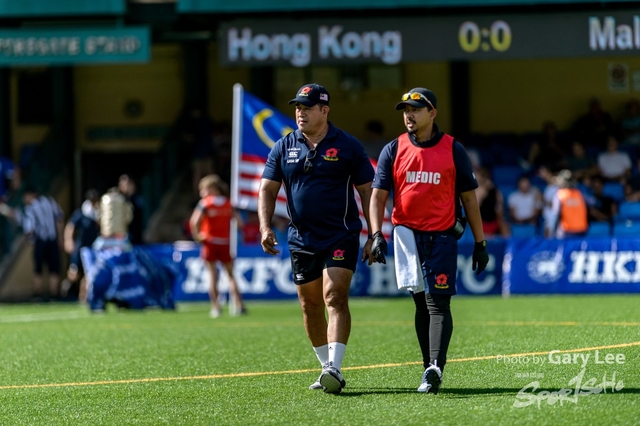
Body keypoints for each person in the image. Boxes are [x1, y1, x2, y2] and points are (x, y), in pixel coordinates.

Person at [369, 87, 489, 394]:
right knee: (421, 303)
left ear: (432, 113)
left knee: (438, 302)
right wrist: (376, 234)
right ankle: (428, 370)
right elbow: (378, 196)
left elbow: (469, 199)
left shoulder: (453, 149)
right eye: (406, 110)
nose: (409, 115)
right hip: (406, 237)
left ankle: (435, 367)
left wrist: (480, 243)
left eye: (416, 109)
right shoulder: (393, 149)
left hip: (442, 236)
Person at [257, 83, 374, 394]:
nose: (300, 112)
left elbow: (367, 191)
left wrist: (374, 233)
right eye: (297, 107)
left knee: (334, 296)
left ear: (325, 110)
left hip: (341, 235)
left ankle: (335, 366)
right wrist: (265, 227)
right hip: (300, 239)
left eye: (307, 107)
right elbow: (267, 190)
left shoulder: (348, 146)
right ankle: (325, 368)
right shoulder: (282, 146)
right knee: (309, 305)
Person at [190, 174, 246, 318]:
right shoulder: (229, 203)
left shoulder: (205, 203)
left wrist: (198, 236)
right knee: (231, 275)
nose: (202, 193)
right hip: (226, 243)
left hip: (210, 242)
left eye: (203, 189)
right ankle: (239, 306)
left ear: (211, 188)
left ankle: (216, 307)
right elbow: (239, 223)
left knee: (213, 276)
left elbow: (194, 222)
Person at [0, 186, 65, 299]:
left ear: (30, 195)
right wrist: (60, 238)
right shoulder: (49, 201)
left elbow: (29, 228)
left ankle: (38, 293)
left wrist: (26, 238)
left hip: (41, 240)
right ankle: (54, 293)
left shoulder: (31, 208)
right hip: (52, 239)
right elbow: (59, 219)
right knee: (54, 268)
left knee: (38, 269)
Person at [61, 189, 101, 302]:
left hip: (93, 248)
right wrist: (68, 240)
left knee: (89, 273)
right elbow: (70, 226)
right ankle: (66, 286)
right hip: (81, 247)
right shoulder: (81, 213)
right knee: (75, 273)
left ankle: (83, 295)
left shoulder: (98, 214)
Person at [548, 170, 588, 239]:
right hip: (582, 230)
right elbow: (593, 203)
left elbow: (555, 214)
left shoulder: (560, 194)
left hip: (567, 231)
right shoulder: (579, 193)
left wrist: (553, 232)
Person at [118, 174, 144, 244]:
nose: (121, 186)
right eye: (120, 184)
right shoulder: (121, 199)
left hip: (135, 236)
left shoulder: (136, 198)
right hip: (124, 236)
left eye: (124, 184)